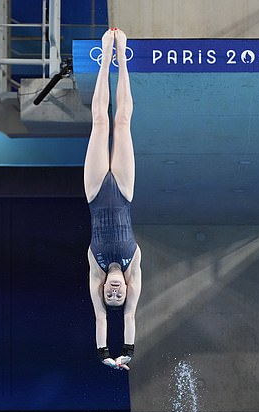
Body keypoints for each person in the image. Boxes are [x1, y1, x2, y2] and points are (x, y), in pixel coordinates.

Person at [85, 28, 142, 371]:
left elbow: (101, 321)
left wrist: (104, 354)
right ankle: (122, 53)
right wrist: (128, 353)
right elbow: (129, 316)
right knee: (122, 121)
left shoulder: (96, 268)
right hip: (123, 191)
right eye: (119, 295)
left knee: (99, 121)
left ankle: (106, 57)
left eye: (111, 295)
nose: (116, 293)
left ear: (104, 288)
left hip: (94, 192)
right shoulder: (134, 264)